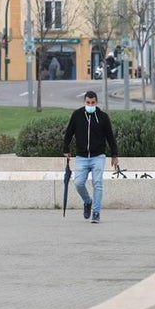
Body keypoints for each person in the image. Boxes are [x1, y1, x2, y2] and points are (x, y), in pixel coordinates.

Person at [63, 91, 119, 224]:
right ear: (84, 102)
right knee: (78, 183)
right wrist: (66, 149)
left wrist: (114, 154)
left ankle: (96, 212)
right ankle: (88, 202)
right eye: (88, 102)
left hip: (98, 156)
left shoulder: (103, 117)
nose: (90, 105)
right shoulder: (77, 115)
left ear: (96, 102)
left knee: (97, 183)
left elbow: (110, 136)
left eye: (93, 102)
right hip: (81, 156)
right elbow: (69, 132)